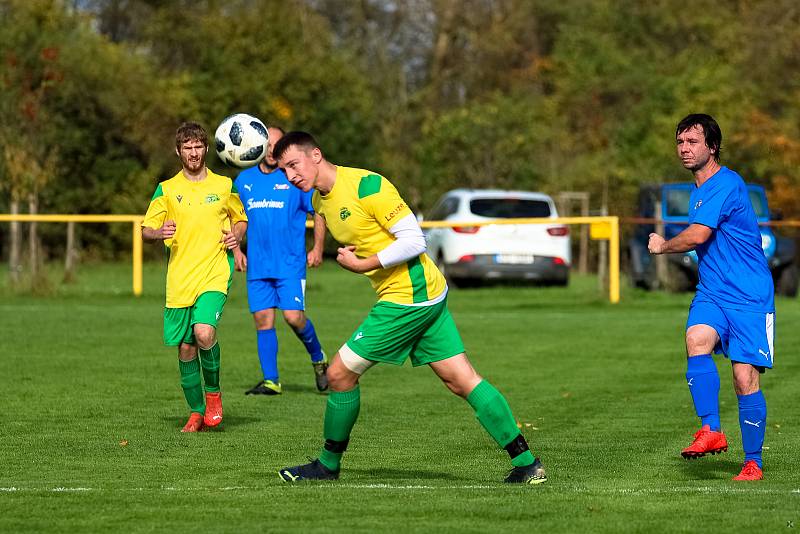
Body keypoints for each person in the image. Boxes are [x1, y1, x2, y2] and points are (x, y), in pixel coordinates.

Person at [272, 131, 546, 484]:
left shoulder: (368, 186)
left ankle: (327, 465)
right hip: (426, 294)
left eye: (294, 164)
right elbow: (331, 217)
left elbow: (415, 240)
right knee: (461, 379)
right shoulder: (319, 199)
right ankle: (527, 463)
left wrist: (363, 264)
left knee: (339, 374)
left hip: (408, 298)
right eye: (284, 170)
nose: (291, 175)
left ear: (316, 155)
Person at [648, 114, 773, 481]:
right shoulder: (700, 190)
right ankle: (712, 430)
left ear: (712, 146)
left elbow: (698, 236)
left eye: (693, 142)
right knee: (696, 338)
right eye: (680, 142)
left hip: (749, 296)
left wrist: (661, 247)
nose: (685, 149)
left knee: (743, 377)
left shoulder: (725, 184)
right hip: (713, 292)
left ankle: (753, 463)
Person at [141, 122, 248, 432]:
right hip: (179, 280)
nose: (193, 152)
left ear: (205, 149)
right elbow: (147, 229)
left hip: (215, 271)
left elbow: (240, 220)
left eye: (198, 146)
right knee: (186, 348)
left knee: (204, 332)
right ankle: (196, 411)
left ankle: (213, 395)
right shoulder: (167, 188)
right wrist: (158, 232)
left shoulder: (224, 186)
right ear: (178, 151)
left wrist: (236, 237)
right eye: (187, 148)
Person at [233, 125, 328, 395]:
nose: (272, 149)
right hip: (258, 265)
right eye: (268, 144)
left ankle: (318, 357)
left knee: (293, 317)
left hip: (290, 264)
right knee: (263, 320)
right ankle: (271, 381)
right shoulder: (244, 180)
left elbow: (318, 212)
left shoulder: (294, 179)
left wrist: (318, 247)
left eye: (278, 144)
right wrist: (237, 251)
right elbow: (233, 217)